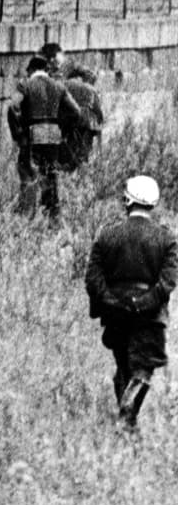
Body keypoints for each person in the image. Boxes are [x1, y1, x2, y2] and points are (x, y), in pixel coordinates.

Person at [85, 175, 178, 430]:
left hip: (115, 315)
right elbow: (168, 282)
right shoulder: (167, 239)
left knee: (123, 366)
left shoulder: (106, 235)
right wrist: (143, 303)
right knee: (142, 370)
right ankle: (126, 420)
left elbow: (93, 279)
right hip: (149, 316)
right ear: (153, 203)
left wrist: (111, 301)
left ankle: (127, 425)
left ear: (127, 200)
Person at [7, 55, 83, 219]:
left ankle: (27, 214)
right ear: (46, 70)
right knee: (50, 173)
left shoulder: (26, 85)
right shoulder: (58, 86)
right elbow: (76, 112)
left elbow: (13, 107)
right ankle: (51, 214)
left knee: (28, 172)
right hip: (53, 135)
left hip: (32, 134)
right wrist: (62, 129)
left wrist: (19, 135)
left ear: (32, 70)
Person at [61, 66, 103, 171]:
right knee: (84, 148)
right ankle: (81, 169)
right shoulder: (90, 88)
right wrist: (100, 120)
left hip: (69, 119)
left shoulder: (64, 84)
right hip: (86, 120)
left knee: (69, 145)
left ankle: (68, 168)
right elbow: (97, 109)